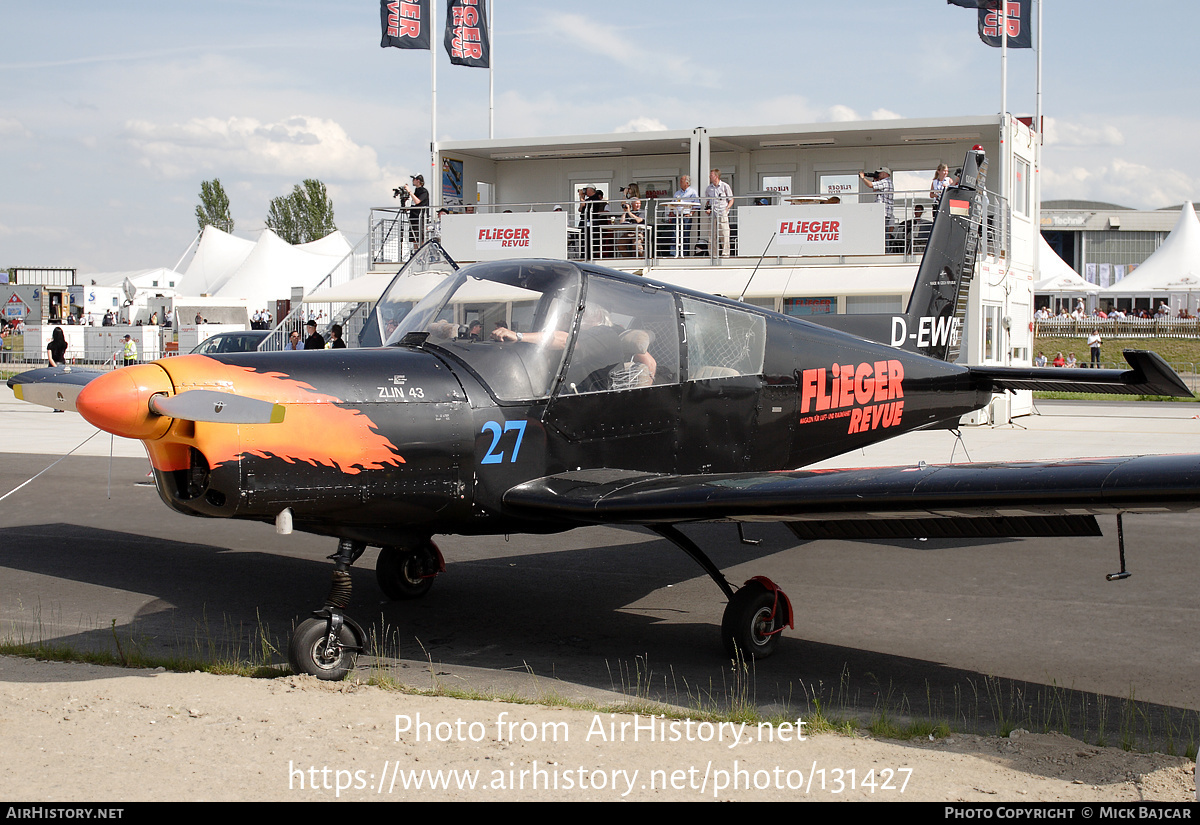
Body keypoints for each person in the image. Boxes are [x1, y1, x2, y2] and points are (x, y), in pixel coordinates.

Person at [859, 166, 895, 250]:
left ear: (884, 173)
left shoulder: (885, 182)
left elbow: (871, 185)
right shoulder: (886, 182)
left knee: (882, 233)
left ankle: (885, 250)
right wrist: (875, 179)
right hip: (883, 212)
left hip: (883, 212)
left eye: (879, 173)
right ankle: (884, 249)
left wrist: (863, 178)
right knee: (881, 232)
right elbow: (875, 189)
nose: (878, 175)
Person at [666, 175, 699, 257]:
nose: (680, 182)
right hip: (676, 215)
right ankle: (673, 254)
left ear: (687, 183)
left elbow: (697, 205)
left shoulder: (692, 192)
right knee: (674, 234)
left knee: (685, 235)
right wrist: (671, 213)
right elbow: (672, 203)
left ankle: (684, 254)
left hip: (686, 216)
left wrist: (691, 214)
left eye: (682, 181)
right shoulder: (677, 193)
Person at [704, 169, 734, 257]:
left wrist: (727, 208)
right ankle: (713, 254)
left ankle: (725, 254)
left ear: (716, 176)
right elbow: (707, 201)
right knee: (712, 235)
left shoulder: (725, 186)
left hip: (722, 212)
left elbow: (731, 199)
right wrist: (707, 208)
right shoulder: (709, 188)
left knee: (724, 234)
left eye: (711, 175)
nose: (710, 177)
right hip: (713, 213)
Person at [619, 184, 646, 256]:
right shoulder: (629, 210)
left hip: (638, 233)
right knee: (620, 243)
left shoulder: (641, 211)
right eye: (636, 204)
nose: (638, 205)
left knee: (636, 244)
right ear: (632, 204)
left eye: (629, 189)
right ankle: (628, 258)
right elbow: (621, 222)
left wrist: (629, 212)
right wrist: (626, 211)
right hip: (629, 232)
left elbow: (639, 220)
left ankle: (641, 258)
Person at [46, 327, 69, 412]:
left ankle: (56, 406)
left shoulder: (50, 345)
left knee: (54, 388)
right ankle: (62, 406)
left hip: (53, 366)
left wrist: (54, 366)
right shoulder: (65, 344)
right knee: (62, 387)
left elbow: (50, 358)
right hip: (62, 365)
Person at [408, 174, 429, 247]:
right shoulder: (416, 191)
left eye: (414, 179)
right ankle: (415, 255)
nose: (412, 181)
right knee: (414, 239)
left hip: (420, 218)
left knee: (420, 239)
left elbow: (417, 201)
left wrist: (410, 192)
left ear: (418, 180)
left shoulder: (424, 191)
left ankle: (420, 256)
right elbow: (414, 203)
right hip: (413, 218)